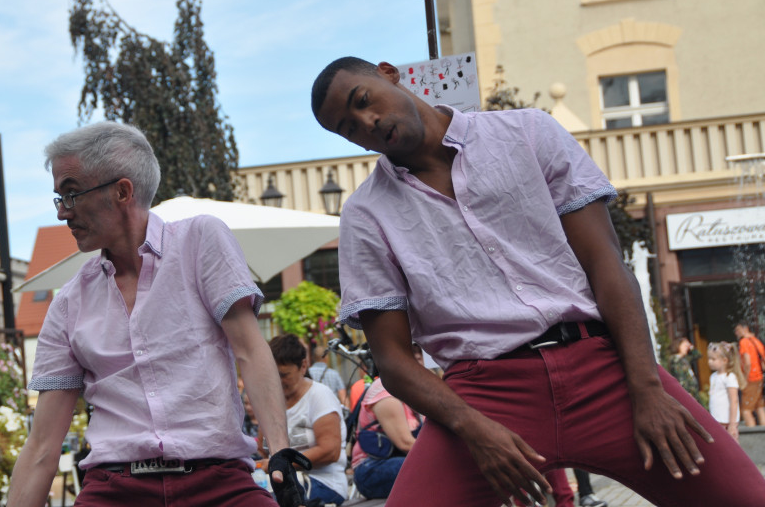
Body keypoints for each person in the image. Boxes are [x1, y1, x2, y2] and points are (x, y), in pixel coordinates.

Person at [310, 57, 765, 506]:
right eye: (349, 128)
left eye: (364, 101)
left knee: (744, 497)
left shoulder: (526, 133)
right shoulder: (366, 214)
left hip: (604, 370)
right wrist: (473, 428)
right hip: (484, 395)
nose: (368, 122)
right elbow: (391, 357)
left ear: (389, 73)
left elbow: (605, 263)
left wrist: (645, 387)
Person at [6, 122, 309, 507]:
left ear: (122, 191)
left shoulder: (201, 240)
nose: (63, 213)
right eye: (59, 198)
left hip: (219, 483)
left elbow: (250, 350)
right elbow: (42, 447)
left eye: (71, 193)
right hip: (115, 491)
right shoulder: (68, 302)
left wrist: (280, 451)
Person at [269, 333, 348, 506]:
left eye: (284, 375)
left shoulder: (319, 395)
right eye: (273, 375)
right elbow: (262, 448)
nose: (278, 381)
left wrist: (281, 464)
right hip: (283, 481)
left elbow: (330, 451)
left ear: (303, 366)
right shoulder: (272, 401)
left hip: (323, 482)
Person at [350, 350, 424, 499]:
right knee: (431, 470)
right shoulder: (386, 390)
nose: (419, 365)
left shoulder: (414, 389)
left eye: (419, 359)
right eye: (413, 359)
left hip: (398, 459)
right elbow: (405, 443)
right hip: (371, 467)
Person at [707, 342, 745, 440]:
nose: (709, 362)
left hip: (727, 420)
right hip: (717, 419)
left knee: (732, 446)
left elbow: (734, 401)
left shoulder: (730, 377)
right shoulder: (713, 376)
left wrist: (732, 424)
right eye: (709, 359)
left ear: (724, 360)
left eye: (713, 359)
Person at [735, 322, 765, 427]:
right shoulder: (756, 341)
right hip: (759, 377)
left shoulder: (744, 342)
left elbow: (747, 362)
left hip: (751, 378)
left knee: (746, 410)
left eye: (738, 330)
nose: (736, 333)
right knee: (759, 407)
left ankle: (752, 435)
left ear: (745, 328)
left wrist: (745, 378)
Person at [308, 342, 348, 407]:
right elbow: (343, 397)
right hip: (332, 409)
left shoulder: (308, 373)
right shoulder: (334, 374)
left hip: (314, 410)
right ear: (326, 357)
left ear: (313, 358)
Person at [666, 337, 703, 403]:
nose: (686, 348)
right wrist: (687, 392)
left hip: (693, 393)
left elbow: (698, 355)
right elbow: (680, 377)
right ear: (678, 346)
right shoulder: (675, 360)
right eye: (684, 346)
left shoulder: (684, 359)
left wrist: (691, 348)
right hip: (687, 393)